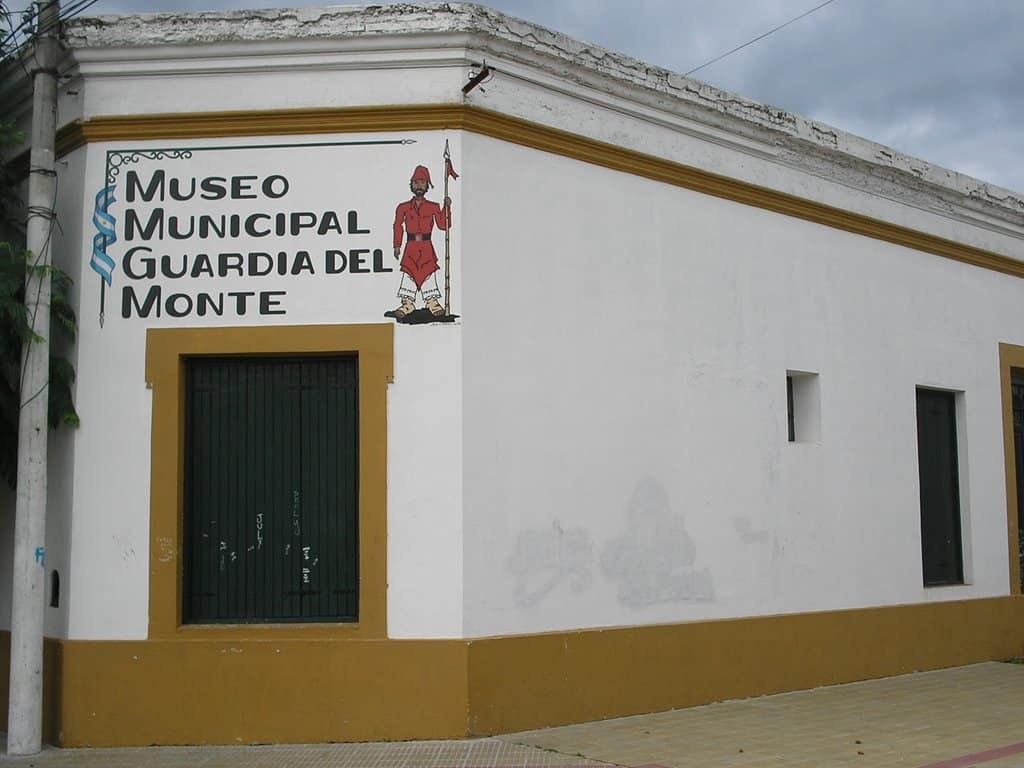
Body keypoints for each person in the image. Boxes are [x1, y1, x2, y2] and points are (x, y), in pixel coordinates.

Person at [392, 165, 451, 318]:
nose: (419, 185)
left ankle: (432, 302)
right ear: (411, 184)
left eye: (422, 182)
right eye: (416, 182)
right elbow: (397, 225)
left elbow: (443, 225)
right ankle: (407, 304)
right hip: (410, 246)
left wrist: (447, 207)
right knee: (408, 272)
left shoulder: (433, 207)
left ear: (427, 185)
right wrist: (397, 245)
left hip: (426, 246)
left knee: (428, 272)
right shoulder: (403, 207)